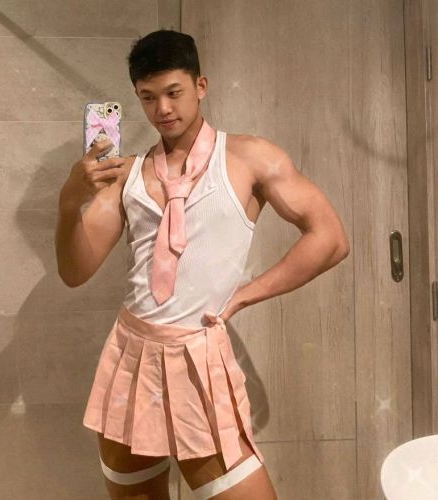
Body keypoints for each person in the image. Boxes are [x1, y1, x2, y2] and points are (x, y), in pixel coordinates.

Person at [55, 29, 349, 500]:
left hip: (198, 355)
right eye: (148, 97)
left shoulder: (251, 158)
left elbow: (330, 239)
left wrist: (246, 295)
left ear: (201, 86)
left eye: (173, 92)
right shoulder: (127, 175)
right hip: (131, 355)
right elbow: (75, 271)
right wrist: (70, 201)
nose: (162, 109)